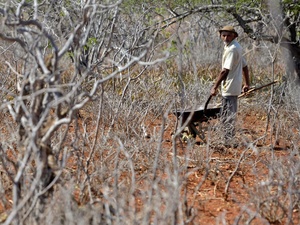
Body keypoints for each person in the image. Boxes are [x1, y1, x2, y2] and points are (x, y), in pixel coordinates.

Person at [210, 25, 250, 147]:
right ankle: (227, 138)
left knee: (228, 114)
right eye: (224, 35)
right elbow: (245, 66)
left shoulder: (232, 49)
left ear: (234, 36)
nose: (226, 37)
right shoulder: (235, 47)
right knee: (226, 113)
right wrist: (247, 83)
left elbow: (224, 71)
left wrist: (215, 87)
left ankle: (228, 140)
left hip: (230, 86)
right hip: (231, 86)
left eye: (229, 35)